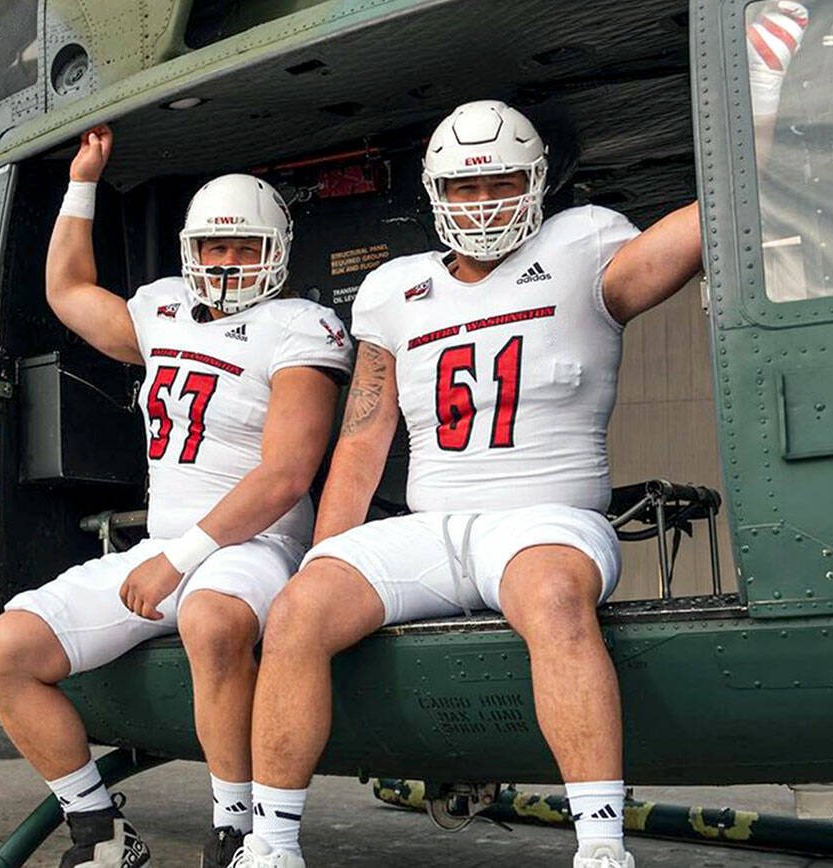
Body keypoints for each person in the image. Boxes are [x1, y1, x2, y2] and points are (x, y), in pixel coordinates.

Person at [230, 101, 702, 868]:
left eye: (500, 184)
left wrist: (757, 129)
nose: (481, 205)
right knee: (297, 610)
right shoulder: (395, 289)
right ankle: (272, 844)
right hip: (432, 528)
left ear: (537, 180)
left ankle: (602, 846)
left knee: (553, 599)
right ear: (435, 194)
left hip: (547, 517)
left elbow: (691, 234)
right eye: (463, 190)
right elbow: (362, 437)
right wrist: (323, 558)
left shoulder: (584, 245)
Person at [0, 125, 353, 868]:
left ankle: (235, 830)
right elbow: (68, 289)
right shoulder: (164, 310)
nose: (228, 262)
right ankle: (99, 832)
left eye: (245, 247)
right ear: (192, 249)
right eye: (216, 247)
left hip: (252, 546)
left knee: (213, 621)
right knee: (4, 654)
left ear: (276, 251)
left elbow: (285, 476)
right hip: (167, 549)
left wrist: (180, 560)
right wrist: (83, 181)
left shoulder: (298, 328)